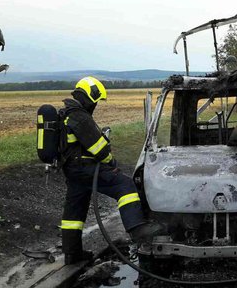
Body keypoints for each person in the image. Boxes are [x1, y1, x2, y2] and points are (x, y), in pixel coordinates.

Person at [58, 76, 165, 265]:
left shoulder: (66, 113)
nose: (96, 105)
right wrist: (111, 162)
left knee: (73, 214)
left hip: (73, 171)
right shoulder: (80, 116)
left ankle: (72, 254)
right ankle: (136, 229)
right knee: (124, 185)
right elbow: (99, 149)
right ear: (89, 96)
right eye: (96, 101)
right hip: (85, 168)